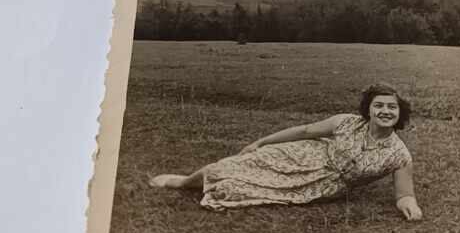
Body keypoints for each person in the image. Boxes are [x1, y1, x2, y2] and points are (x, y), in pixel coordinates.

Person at [150, 83, 423, 219]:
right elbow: (305, 131)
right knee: (236, 164)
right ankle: (184, 181)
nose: (385, 111)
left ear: (400, 114)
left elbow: (404, 194)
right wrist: (262, 142)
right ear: (369, 109)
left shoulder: (399, 155)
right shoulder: (347, 122)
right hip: (303, 154)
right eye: (379, 105)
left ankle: (206, 184)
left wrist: (410, 206)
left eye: (392, 107)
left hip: (321, 185)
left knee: (234, 190)